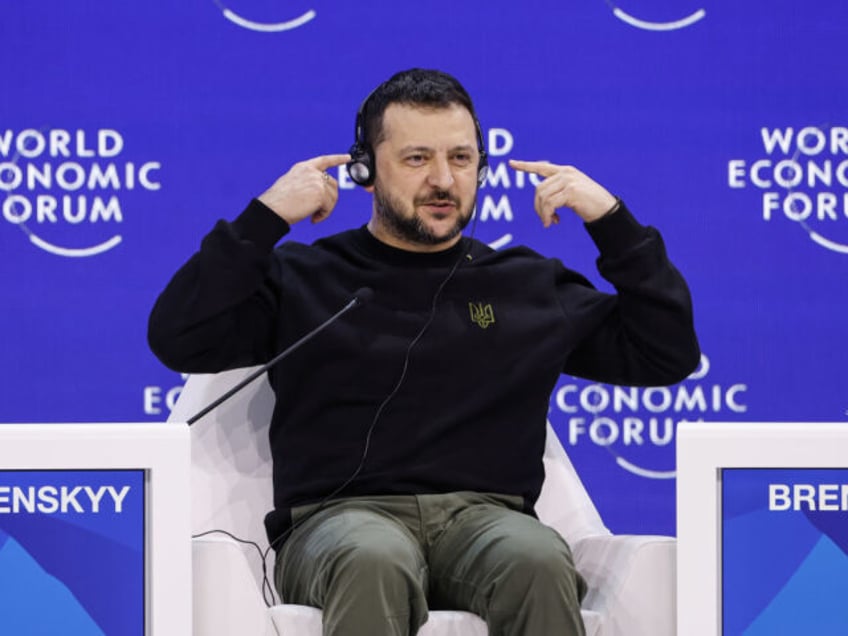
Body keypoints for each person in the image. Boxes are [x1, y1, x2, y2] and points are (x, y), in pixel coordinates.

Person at [148, 68, 699, 636]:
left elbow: (666, 352)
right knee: (374, 558)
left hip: (489, 520)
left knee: (534, 560)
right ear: (365, 170)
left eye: (461, 159)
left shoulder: (526, 284)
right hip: (340, 523)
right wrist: (263, 219)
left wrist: (612, 222)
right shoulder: (306, 279)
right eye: (416, 159)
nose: (443, 180)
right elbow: (178, 335)